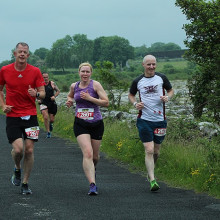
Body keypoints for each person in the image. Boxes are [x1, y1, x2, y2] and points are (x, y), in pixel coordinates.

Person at [0, 42, 45, 195]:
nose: (22, 54)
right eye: (20, 52)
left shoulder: (35, 71)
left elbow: (43, 93)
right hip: (13, 115)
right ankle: (17, 168)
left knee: (30, 150)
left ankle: (25, 183)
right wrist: (3, 104)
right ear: (14, 53)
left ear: (28, 55)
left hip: (31, 115)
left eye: (25, 52)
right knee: (18, 149)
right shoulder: (5, 70)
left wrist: (36, 94)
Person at [128, 55, 174, 192]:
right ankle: (153, 179)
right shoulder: (138, 81)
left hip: (160, 120)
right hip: (144, 120)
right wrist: (136, 103)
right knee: (149, 149)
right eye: (149, 64)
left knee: (156, 151)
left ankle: (150, 172)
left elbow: (171, 90)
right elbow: (131, 95)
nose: (152, 67)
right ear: (143, 65)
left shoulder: (162, 78)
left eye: (153, 64)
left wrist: (168, 97)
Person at [66, 62, 109, 195]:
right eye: (83, 71)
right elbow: (70, 95)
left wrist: (90, 98)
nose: (85, 74)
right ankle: (92, 184)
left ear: (91, 73)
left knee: (95, 157)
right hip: (80, 123)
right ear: (79, 72)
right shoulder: (75, 86)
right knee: (88, 153)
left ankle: (92, 169)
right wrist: (70, 101)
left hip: (96, 123)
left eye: (87, 72)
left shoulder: (95, 85)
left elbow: (106, 102)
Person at [38, 72, 60, 138]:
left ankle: (51, 124)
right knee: (45, 117)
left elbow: (58, 91)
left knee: (52, 119)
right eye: (44, 77)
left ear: (48, 77)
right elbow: (36, 93)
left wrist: (54, 96)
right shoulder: (39, 84)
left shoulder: (52, 83)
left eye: (46, 77)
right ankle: (48, 132)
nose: (45, 79)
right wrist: (38, 99)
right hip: (43, 102)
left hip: (51, 102)